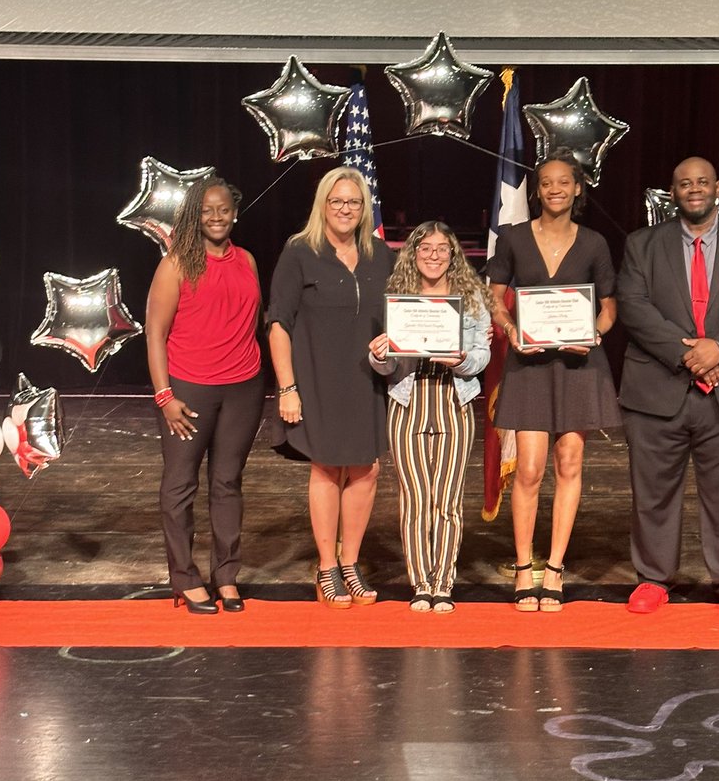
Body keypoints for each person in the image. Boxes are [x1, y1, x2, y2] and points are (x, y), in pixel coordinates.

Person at [616, 155, 719, 619]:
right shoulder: (641, 244)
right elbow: (633, 306)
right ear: (673, 193)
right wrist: (691, 354)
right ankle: (653, 578)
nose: (694, 188)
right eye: (685, 183)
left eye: (703, 182)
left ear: (718, 188)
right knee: (652, 494)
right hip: (657, 389)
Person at [487, 149, 621, 612]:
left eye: (564, 182)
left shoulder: (595, 243)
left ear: (578, 188)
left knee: (569, 464)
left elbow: (608, 308)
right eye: (546, 182)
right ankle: (524, 566)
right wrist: (509, 329)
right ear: (537, 189)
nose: (555, 189)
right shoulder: (513, 238)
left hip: (578, 366)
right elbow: (494, 298)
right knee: (528, 470)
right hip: (528, 366)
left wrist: (595, 335)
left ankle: (555, 568)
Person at [268, 167, 395, 608]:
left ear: (365, 209)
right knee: (326, 467)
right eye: (337, 201)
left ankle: (350, 565)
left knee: (366, 468)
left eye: (354, 202)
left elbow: (405, 311)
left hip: (367, 379)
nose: (346, 209)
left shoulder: (381, 254)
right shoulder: (300, 252)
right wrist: (288, 387)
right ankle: (326, 568)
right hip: (317, 378)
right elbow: (278, 324)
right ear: (323, 205)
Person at [145, 177, 264, 613]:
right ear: (194, 216)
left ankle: (226, 576)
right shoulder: (176, 264)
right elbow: (155, 334)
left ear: (234, 212)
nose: (215, 217)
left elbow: (250, 321)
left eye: (223, 209)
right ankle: (184, 577)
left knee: (227, 484)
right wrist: (165, 396)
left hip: (243, 389)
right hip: (189, 389)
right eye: (206, 211)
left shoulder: (247, 261)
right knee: (180, 485)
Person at [369, 222, 491, 613]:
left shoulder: (471, 300)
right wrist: (379, 354)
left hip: (454, 401)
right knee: (416, 498)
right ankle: (421, 583)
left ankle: (444, 583)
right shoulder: (398, 300)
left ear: (453, 255)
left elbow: (480, 358)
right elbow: (385, 367)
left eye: (442, 249)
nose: (434, 256)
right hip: (409, 402)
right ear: (413, 254)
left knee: (448, 499)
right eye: (426, 249)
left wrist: (462, 360)